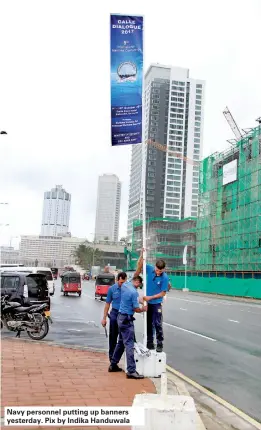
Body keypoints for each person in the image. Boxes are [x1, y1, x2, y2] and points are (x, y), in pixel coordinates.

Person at [109, 275, 147, 379]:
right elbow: (136, 308)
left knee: (121, 342)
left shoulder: (125, 285)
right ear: (137, 282)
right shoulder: (134, 292)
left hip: (120, 317)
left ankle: (113, 364)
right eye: (139, 285)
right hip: (126, 319)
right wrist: (143, 309)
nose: (139, 287)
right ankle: (131, 371)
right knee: (129, 344)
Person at [136, 251, 168, 352]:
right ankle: (150, 342)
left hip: (156, 303)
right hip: (148, 303)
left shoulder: (164, 277)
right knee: (148, 323)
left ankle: (159, 343)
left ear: (163, 269)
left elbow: (163, 293)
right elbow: (140, 265)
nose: (158, 272)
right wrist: (142, 254)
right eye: (157, 270)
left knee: (157, 323)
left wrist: (150, 297)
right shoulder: (149, 269)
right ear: (155, 267)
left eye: (160, 271)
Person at [101, 272, 127, 361]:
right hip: (115, 314)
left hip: (124, 315)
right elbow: (107, 304)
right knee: (113, 336)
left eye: (124, 282)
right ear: (117, 280)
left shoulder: (128, 289)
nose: (122, 284)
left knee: (125, 338)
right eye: (121, 282)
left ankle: (121, 358)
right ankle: (112, 358)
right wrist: (104, 318)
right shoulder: (112, 289)